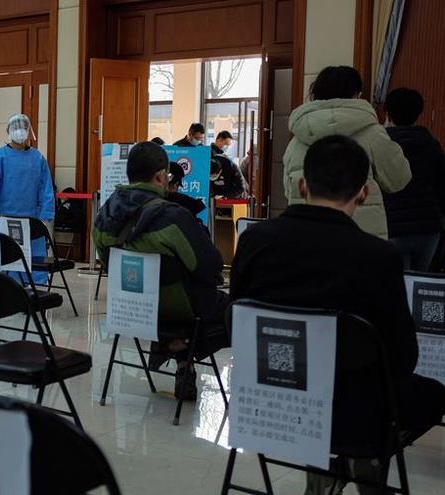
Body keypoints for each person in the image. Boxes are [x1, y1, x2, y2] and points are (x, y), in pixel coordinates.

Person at [231, 135, 445, 495]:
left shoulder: (256, 239)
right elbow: (402, 357)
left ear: (302, 184)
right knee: (432, 394)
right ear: (362, 193)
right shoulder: (377, 256)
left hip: (270, 397)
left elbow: (239, 316)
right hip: (352, 409)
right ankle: (363, 458)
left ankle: (332, 465)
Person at [92, 141, 229, 399]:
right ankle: (182, 348)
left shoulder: (102, 215)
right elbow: (211, 266)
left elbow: (109, 263)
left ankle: (172, 347)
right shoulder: (174, 217)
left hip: (131, 309)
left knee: (175, 296)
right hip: (180, 311)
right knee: (232, 310)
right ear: (159, 176)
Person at [283, 65, 411, 239]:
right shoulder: (373, 134)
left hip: (307, 237)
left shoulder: (297, 140)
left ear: (315, 94)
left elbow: (288, 189)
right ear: (357, 95)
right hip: (361, 238)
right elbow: (398, 179)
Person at [0, 113, 55, 284]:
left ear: (29, 131)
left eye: (23, 128)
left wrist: (45, 215)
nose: (20, 132)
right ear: (8, 131)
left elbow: (46, 188)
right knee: (4, 260)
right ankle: (4, 288)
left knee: (32, 263)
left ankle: (35, 292)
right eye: (16, 128)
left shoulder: (38, 158)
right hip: (3, 219)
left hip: (31, 220)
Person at [382, 88, 445, 271]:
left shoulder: (382, 146)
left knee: (395, 288)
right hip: (427, 230)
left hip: (391, 227)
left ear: (387, 114)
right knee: (418, 285)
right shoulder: (430, 145)